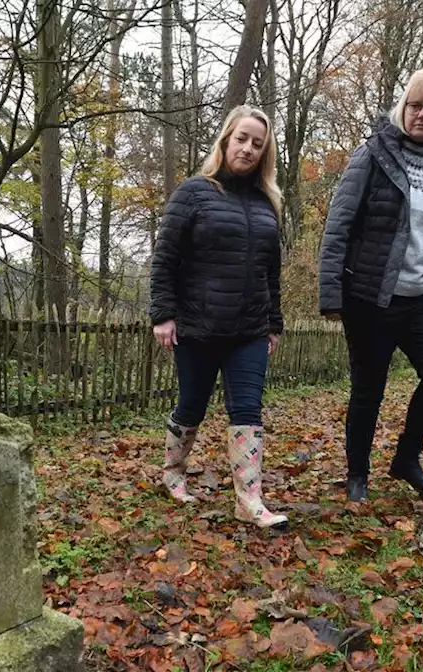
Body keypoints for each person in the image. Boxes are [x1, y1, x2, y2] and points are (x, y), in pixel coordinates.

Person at [317, 67, 423, 502]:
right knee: (368, 389)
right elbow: (339, 225)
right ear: (402, 107)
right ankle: (357, 475)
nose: (420, 114)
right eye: (414, 105)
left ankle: (407, 458)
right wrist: (332, 294)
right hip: (369, 295)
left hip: (422, 298)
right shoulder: (374, 153)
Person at [149, 105, 288, 529]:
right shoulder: (194, 192)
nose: (248, 148)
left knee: (247, 409)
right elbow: (165, 257)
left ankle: (249, 501)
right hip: (199, 325)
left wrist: (274, 322)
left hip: (249, 329)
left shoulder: (268, 203)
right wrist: (163, 314)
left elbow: (271, 270)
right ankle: (173, 472)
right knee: (192, 405)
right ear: (226, 140)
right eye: (242, 139)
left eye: (257, 144)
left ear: (264, 154)